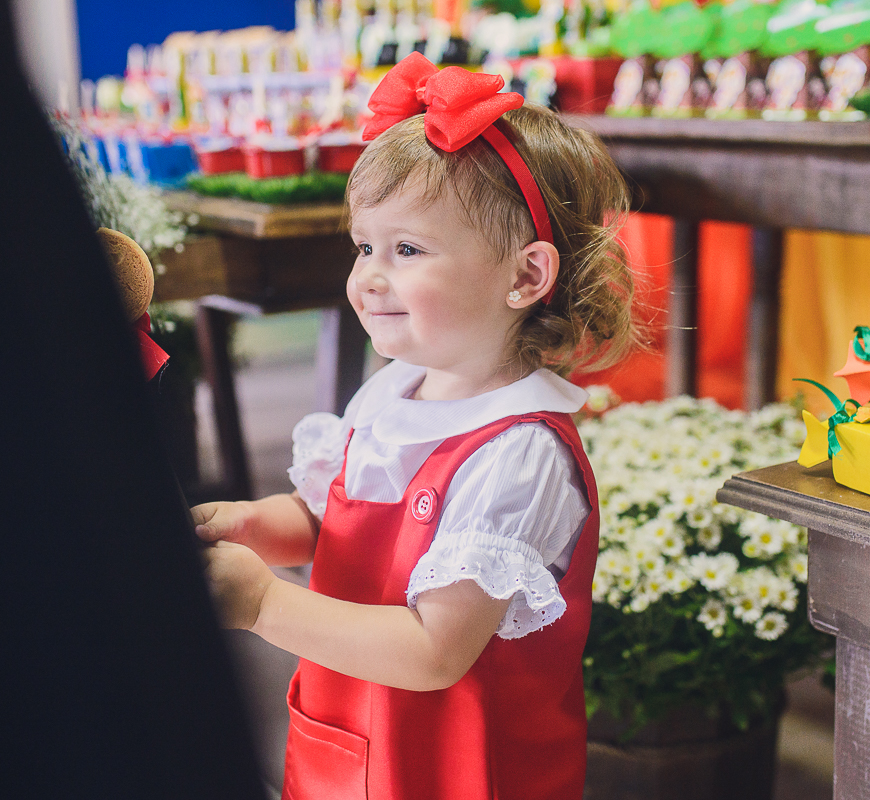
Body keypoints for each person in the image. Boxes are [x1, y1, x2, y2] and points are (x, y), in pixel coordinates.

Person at [191, 52, 638, 800]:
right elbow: (332, 518)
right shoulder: (392, 392)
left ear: (526, 277)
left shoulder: (518, 453)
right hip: (356, 743)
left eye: (407, 250)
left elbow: (436, 650)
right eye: (365, 245)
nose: (368, 275)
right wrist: (252, 525)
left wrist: (266, 603)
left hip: (460, 771)